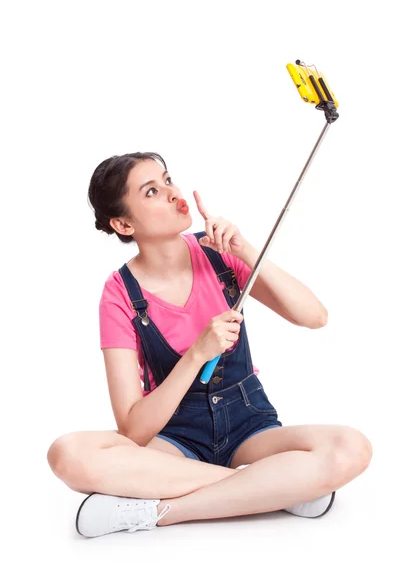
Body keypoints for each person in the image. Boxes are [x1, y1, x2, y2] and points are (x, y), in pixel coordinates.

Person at [47, 152, 373, 538]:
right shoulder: (119, 294)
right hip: (174, 440)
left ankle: (162, 512)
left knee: (352, 447)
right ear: (123, 223)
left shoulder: (218, 253)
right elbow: (133, 430)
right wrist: (197, 353)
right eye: (152, 191)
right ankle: (273, 490)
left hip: (250, 428)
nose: (172, 193)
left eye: (168, 180)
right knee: (67, 454)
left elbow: (314, 317)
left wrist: (246, 249)